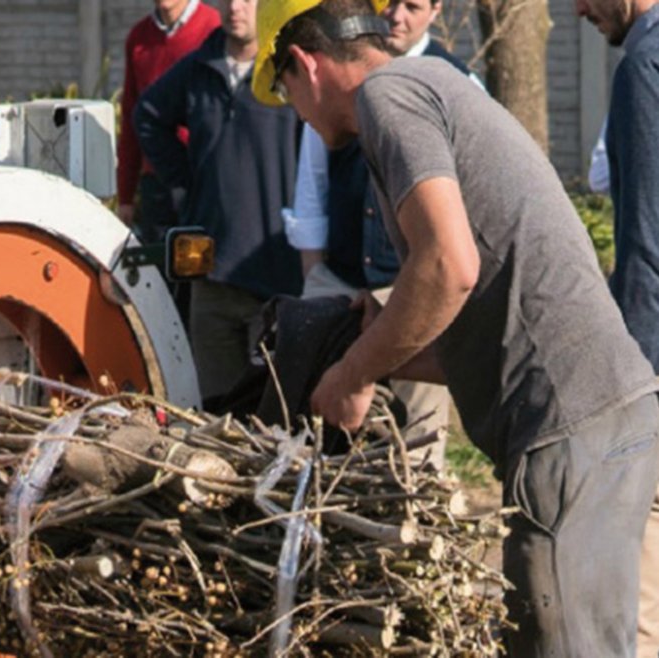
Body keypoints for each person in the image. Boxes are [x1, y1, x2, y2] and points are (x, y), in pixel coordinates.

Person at [255, 0, 659, 654]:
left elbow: (448, 266)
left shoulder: (390, 99)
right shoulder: (432, 88)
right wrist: (380, 341)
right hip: (609, 414)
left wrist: (353, 376)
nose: (292, 107)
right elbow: (483, 316)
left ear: (305, 63)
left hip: (568, 431)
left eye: (284, 89)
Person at [286, 0, 480, 468]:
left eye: (412, 5)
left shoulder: (449, 84)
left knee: (414, 441)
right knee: (328, 441)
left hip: (417, 285)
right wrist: (315, 275)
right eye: (388, 3)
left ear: (436, 11)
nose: (396, 15)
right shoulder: (340, 91)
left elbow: (454, 248)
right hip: (344, 282)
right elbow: (311, 184)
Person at [135, 0, 302, 410]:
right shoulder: (199, 68)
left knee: (275, 413)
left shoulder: (291, 73)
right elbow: (147, 116)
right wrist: (188, 188)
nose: (235, 7)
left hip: (279, 277)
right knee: (213, 412)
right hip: (211, 276)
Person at [577, 0, 659, 655]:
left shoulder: (646, 65)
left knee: (642, 554)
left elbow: (647, 247)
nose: (578, 9)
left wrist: (630, 378)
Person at [117, 0, 221, 244]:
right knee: (160, 274)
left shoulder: (214, 30)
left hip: (204, 181)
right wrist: (125, 197)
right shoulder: (139, 38)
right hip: (157, 185)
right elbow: (132, 117)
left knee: (204, 273)